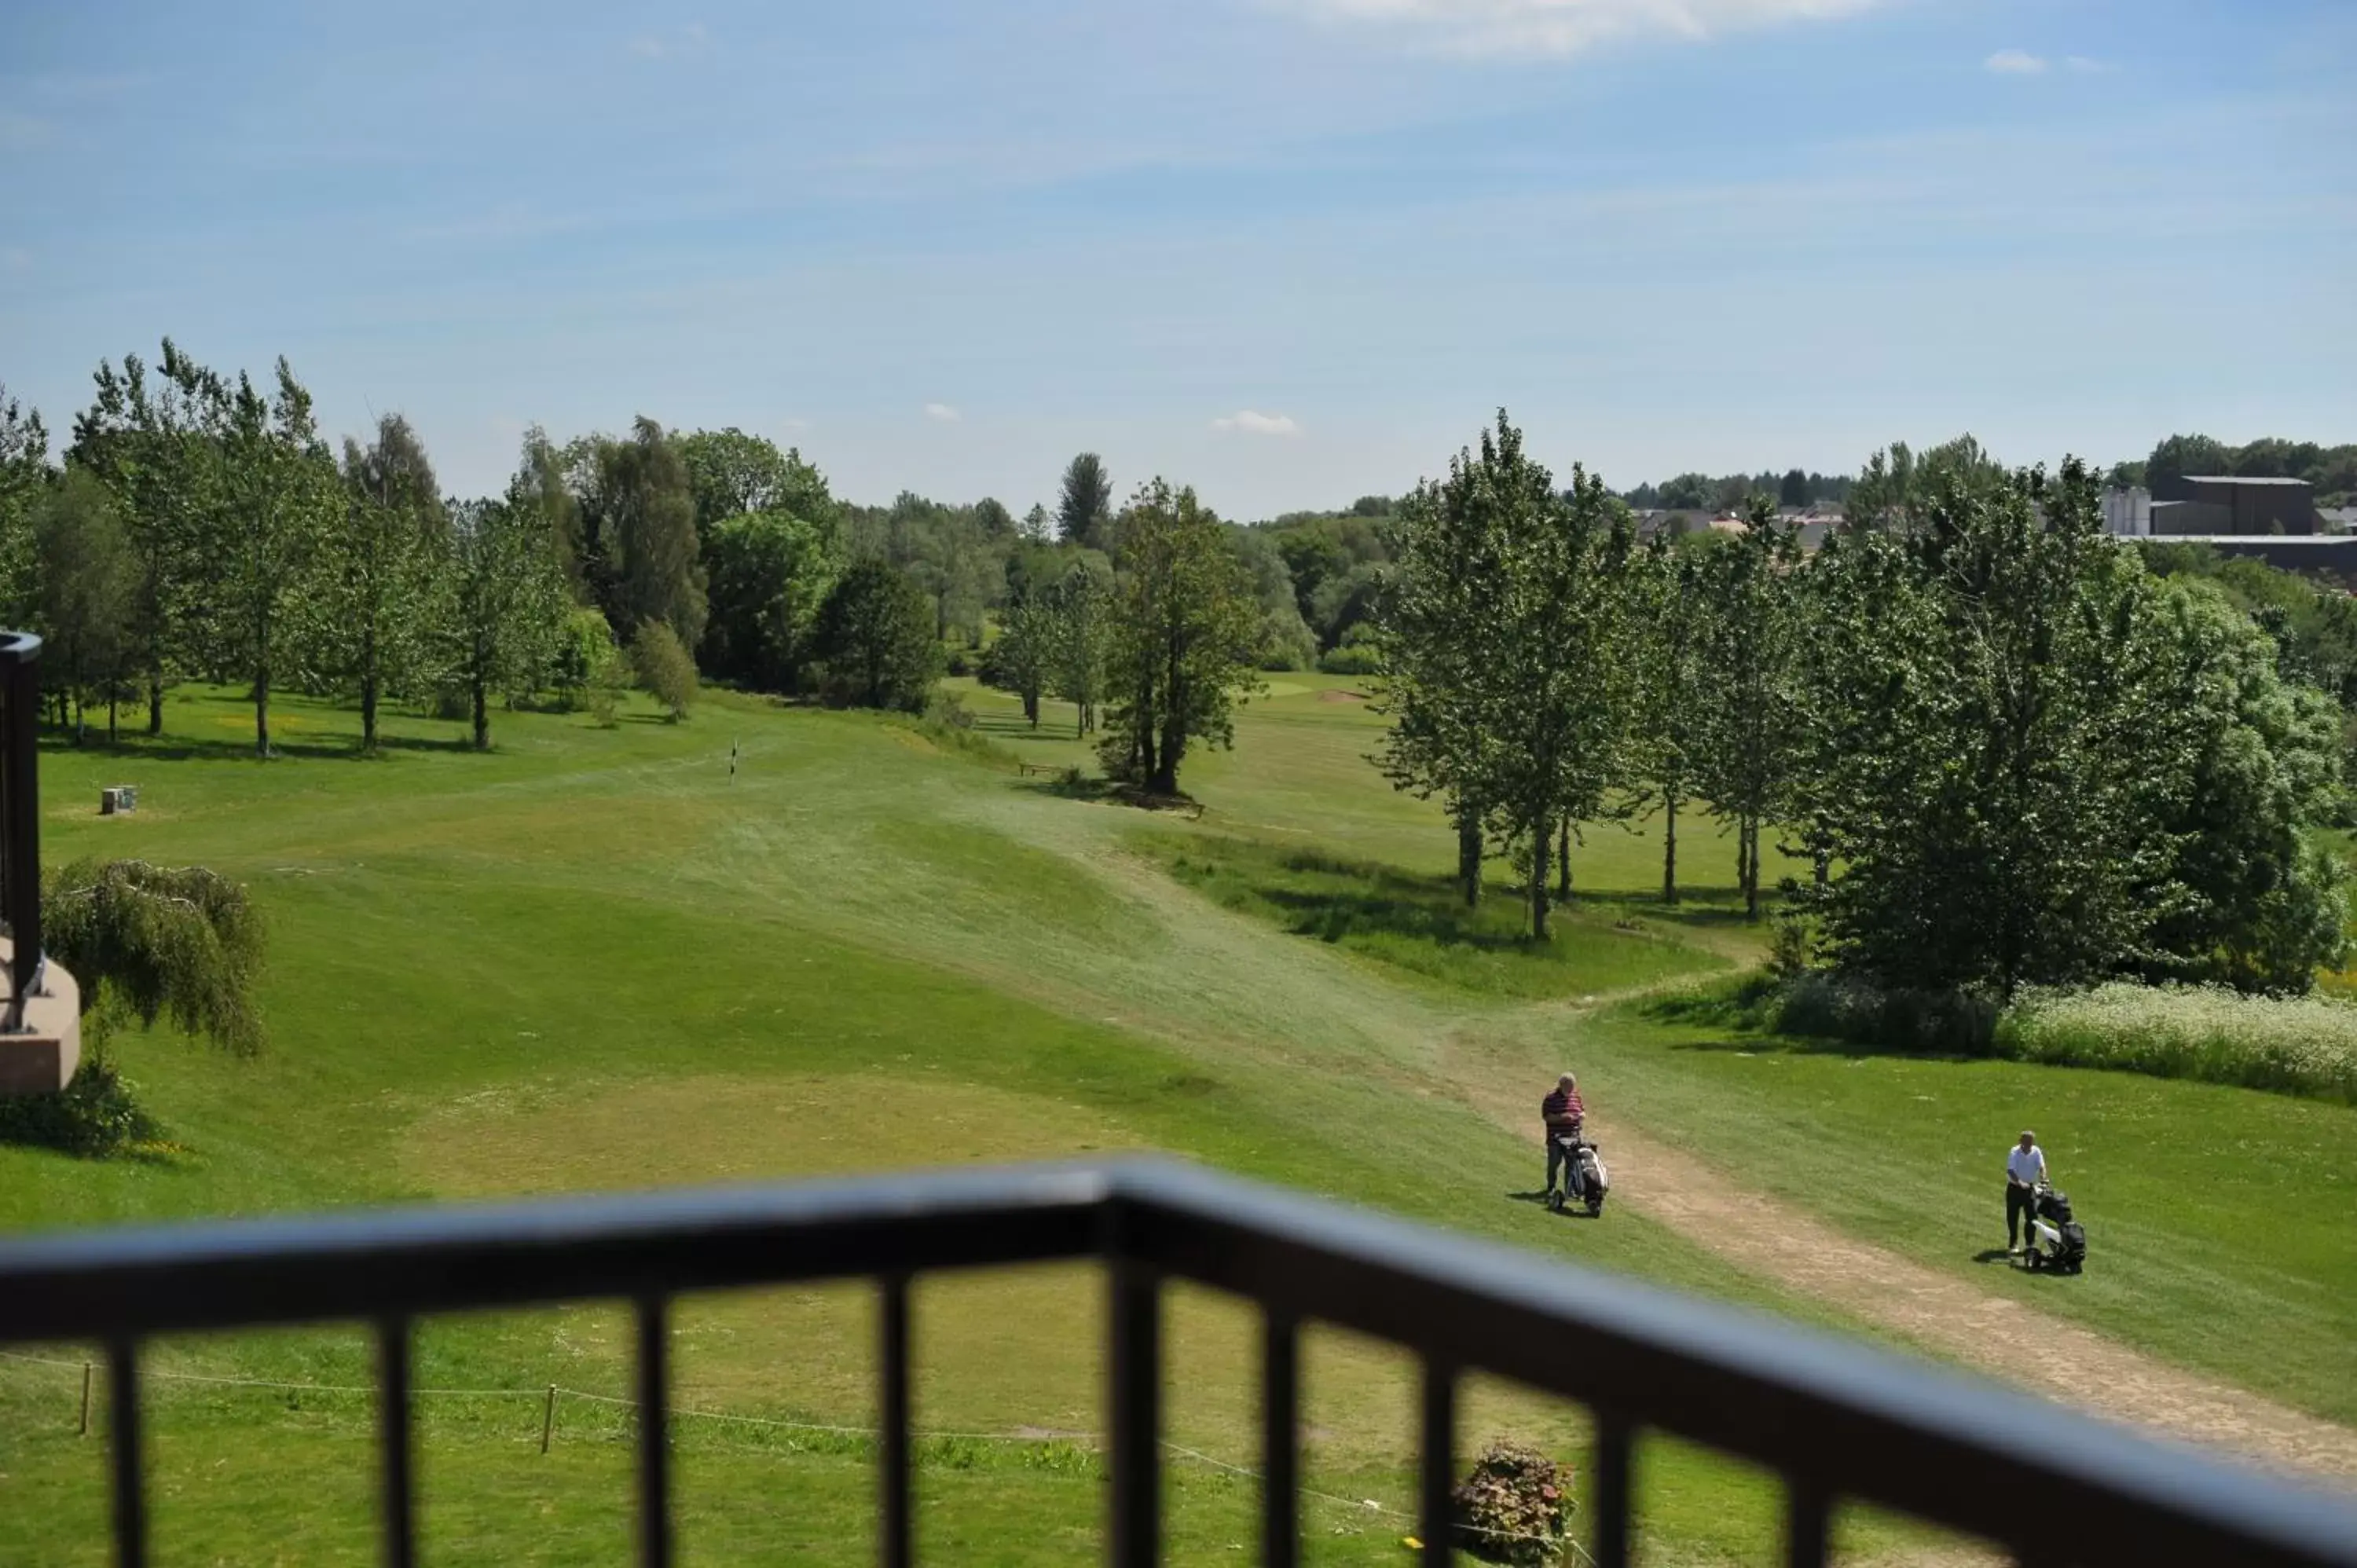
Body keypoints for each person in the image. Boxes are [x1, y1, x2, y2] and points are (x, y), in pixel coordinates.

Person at [1541, 1073, 1585, 1198]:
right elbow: (1547, 1117)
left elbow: (1582, 1111)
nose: (1571, 1090)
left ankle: (1570, 1189)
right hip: (1556, 1138)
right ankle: (1551, 1186)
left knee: (1572, 1164)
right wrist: (1562, 1118)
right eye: (1569, 1087)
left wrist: (1581, 1116)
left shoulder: (1576, 1097)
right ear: (1561, 1085)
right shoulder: (1551, 1098)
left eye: (1572, 1087)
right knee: (1554, 1163)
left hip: (1573, 1137)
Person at [2006, 1130, 2047, 1252]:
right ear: (2021, 1141)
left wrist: (2043, 1177)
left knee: (2032, 1217)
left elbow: (2041, 1167)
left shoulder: (2036, 1151)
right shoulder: (2014, 1152)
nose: (2029, 1144)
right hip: (2015, 1188)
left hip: (2029, 1188)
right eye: (2027, 1141)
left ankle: (2030, 1244)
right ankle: (2013, 1244)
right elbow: (2011, 1171)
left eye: (2031, 1141)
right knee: (2012, 1217)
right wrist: (2020, 1183)